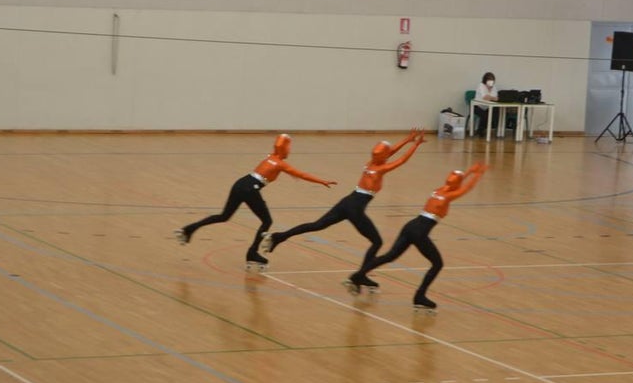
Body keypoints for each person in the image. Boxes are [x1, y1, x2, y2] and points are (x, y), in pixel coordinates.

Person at [261, 130, 426, 284]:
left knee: (317, 225)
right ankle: (360, 276)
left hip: (347, 201)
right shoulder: (381, 168)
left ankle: (278, 237)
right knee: (377, 242)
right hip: (356, 208)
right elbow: (401, 160)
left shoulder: (371, 163)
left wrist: (407, 140)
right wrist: (415, 145)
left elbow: (388, 153)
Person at [174, 134, 337, 271]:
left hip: (240, 183)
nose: (290, 150)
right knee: (267, 221)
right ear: (285, 149)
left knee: (224, 216)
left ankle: (188, 229)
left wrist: (283, 141)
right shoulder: (280, 163)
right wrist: (322, 181)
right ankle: (252, 253)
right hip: (250, 189)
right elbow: (302, 175)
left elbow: (280, 159)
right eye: (288, 148)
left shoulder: (270, 157)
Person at [345, 163, 487, 311]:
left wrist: (469, 171)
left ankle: (357, 276)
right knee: (437, 264)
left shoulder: (439, 190)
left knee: (389, 256)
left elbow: (455, 184)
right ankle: (420, 296)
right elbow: (466, 188)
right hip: (419, 232)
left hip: (410, 226)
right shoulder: (448, 196)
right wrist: (477, 174)